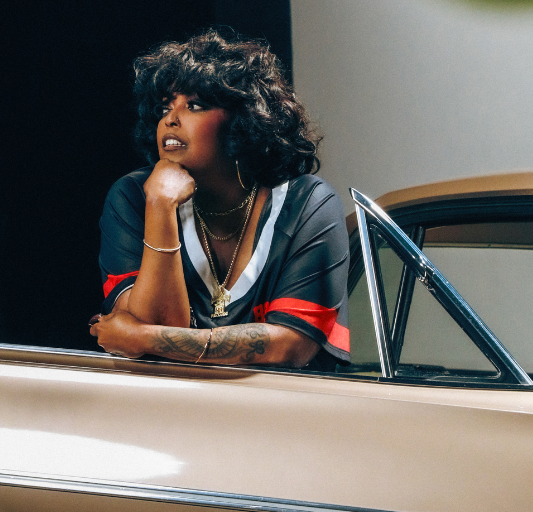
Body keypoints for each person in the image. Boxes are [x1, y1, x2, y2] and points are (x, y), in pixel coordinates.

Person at [90, 29, 349, 370]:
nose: (170, 119)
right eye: (165, 107)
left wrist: (143, 339)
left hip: (283, 403)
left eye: (194, 105)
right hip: (168, 402)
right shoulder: (135, 198)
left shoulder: (308, 205)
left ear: (242, 122)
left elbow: (291, 346)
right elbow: (152, 342)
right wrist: (161, 207)